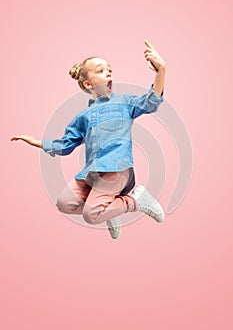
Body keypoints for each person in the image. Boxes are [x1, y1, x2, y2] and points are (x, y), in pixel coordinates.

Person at [11, 39, 166, 239]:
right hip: (92, 171)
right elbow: (66, 145)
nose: (108, 72)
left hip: (116, 169)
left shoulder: (125, 103)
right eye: (101, 70)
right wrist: (36, 141)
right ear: (87, 83)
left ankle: (135, 200)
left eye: (109, 69)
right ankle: (110, 209)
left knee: (91, 215)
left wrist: (161, 70)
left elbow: (152, 101)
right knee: (64, 203)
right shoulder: (82, 117)